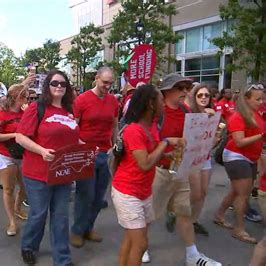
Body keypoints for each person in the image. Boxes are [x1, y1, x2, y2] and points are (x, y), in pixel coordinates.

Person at [152, 73, 221, 266]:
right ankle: (142, 246)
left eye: (186, 88)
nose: (185, 91)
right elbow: (148, 140)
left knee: (184, 212)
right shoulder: (157, 112)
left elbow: (194, 134)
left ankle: (192, 255)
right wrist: (164, 150)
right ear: (167, 90)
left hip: (180, 169)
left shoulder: (184, 109)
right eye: (180, 88)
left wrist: (207, 122)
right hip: (160, 169)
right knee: (149, 213)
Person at [112, 84, 183, 266]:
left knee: (131, 238)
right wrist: (166, 142)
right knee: (140, 243)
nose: (164, 105)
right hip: (128, 192)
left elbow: (153, 155)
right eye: (161, 100)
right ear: (151, 104)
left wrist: (169, 154)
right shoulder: (133, 130)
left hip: (143, 191)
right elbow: (145, 163)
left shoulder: (151, 126)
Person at [16, 70, 78, 266]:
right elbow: (20, 137)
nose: (59, 86)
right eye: (54, 83)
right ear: (47, 86)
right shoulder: (37, 108)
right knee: (39, 214)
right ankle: (28, 246)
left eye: (62, 84)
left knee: (60, 217)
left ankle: (62, 258)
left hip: (63, 173)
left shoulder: (70, 111)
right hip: (37, 173)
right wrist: (42, 150)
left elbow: (73, 139)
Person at [70, 66, 119, 248]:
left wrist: (115, 145)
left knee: (99, 196)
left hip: (105, 153)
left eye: (111, 83)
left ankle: (88, 227)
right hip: (85, 153)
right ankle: (77, 230)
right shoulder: (81, 100)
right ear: (97, 78)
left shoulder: (113, 101)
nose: (108, 86)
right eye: (105, 82)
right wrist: (79, 146)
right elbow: (73, 127)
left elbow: (114, 125)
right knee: (85, 194)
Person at [214, 84, 264, 245]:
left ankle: (219, 215)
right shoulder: (237, 116)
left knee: (237, 191)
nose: (261, 101)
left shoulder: (257, 114)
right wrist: (261, 135)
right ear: (247, 99)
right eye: (258, 99)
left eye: (263, 98)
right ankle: (239, 229)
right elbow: (239, 142)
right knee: (243, 194)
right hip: (236, 155)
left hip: (249, 157)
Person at [0, 84, 29, 236]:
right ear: (16, 97)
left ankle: (18, 208)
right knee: (8, 189)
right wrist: (14, 136)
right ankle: (12, 221)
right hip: (6, 155)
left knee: (26, 187)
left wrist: (29, 115)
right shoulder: (0, 115)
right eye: (25, 96)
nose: (27, 99)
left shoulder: (26, 112)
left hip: (24, 155)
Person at [187, 84, 218, 237]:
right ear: (194, 97)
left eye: (207, 95)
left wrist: (215, 125)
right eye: (200, 95)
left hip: (205, 157)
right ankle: (178, 212)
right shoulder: (189, 114)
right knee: (195, 193)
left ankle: (194, 220)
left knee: (204, 192)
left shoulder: (213, 114)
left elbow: (213, 141)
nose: (204, 98)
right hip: (192, 158)